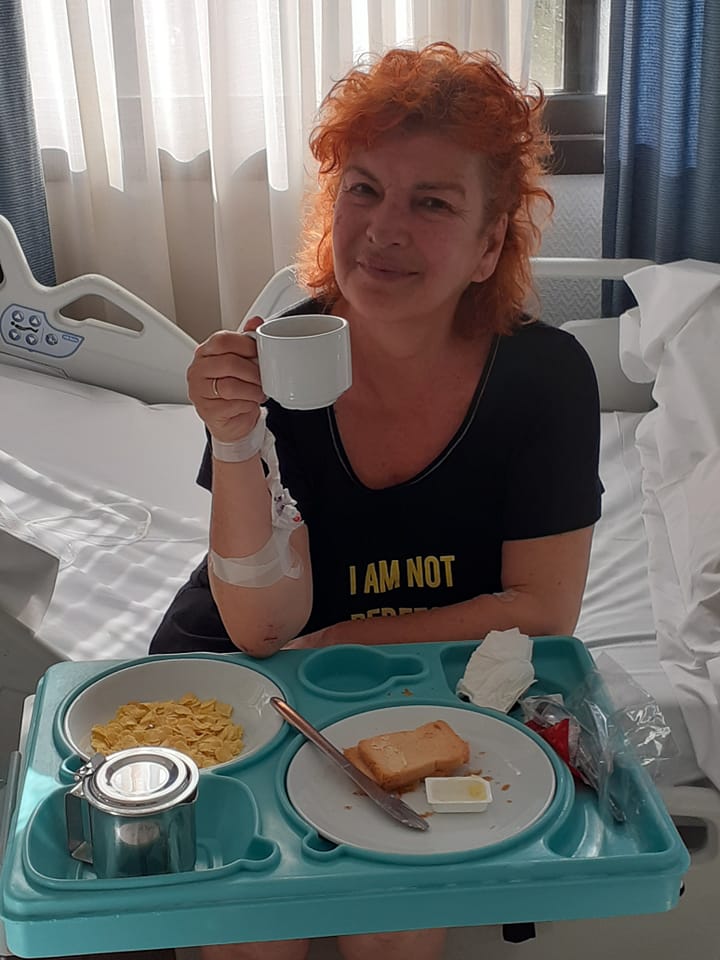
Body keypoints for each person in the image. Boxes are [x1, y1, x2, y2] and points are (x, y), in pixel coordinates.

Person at [151, 42, 602, 960]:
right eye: (363, 189)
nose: (383, 229)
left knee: (394, 909)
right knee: (255, 918)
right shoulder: (281, 361)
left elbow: (542, 610)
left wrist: (348, 641)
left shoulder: (546, 379)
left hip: (418, 676)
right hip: (255, 663)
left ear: (489, 244)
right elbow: (264, 627)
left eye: (431, 202)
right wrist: (234, 437)